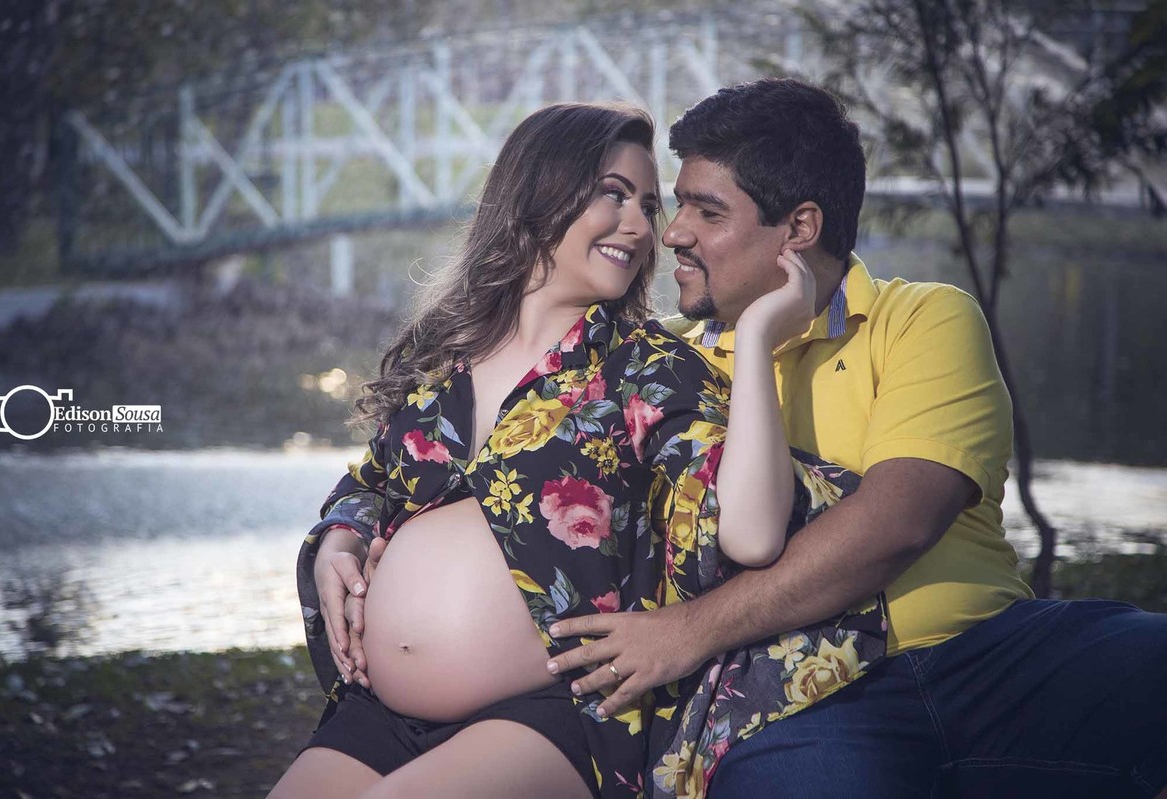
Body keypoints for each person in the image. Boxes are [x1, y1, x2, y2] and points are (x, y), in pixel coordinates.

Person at [545, 78, 1167, 799]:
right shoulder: (658, 363)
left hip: (985, 656)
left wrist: (690, 630)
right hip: (797, 689)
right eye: (678, 205)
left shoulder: (923, 318)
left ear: (799, 229)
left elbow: (897, 522)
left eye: (707, 211)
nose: (674, 232)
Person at [269, 102, 850, 799]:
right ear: (539, 191)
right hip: (380, 712)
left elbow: (752, 534)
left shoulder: (645, 366)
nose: (642, 227)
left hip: (547, 715)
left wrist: (756, 334)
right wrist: (339, 540)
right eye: (614, 194)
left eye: (648, 205)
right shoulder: (445, 358)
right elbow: (372, 483)